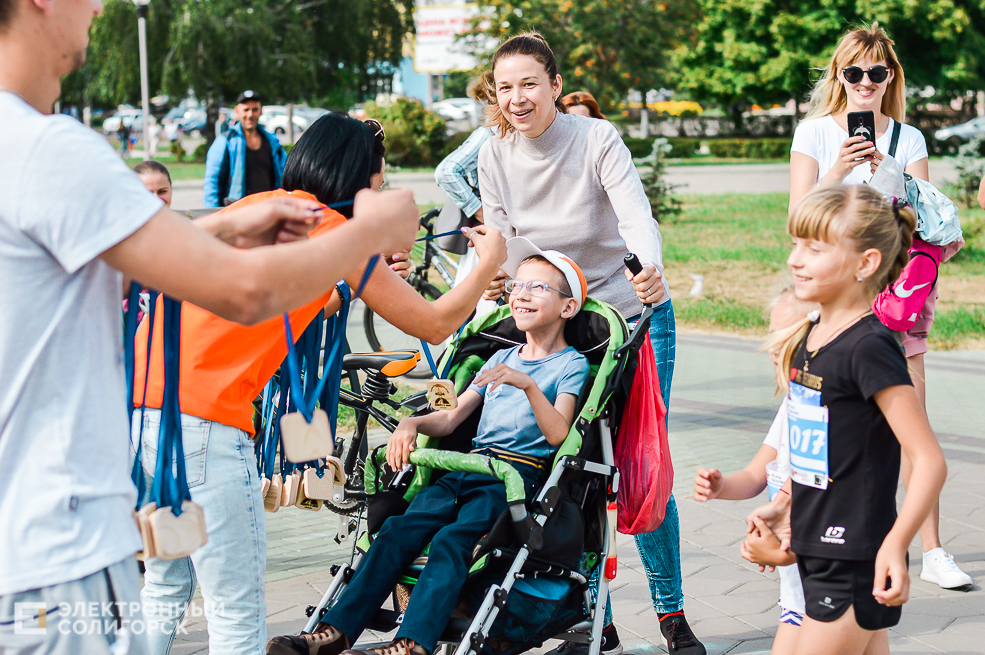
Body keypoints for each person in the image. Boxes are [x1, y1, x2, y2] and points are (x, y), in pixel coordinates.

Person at [0, 0, 420, 650]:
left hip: (45, 531)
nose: (99, 8)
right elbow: (245, 292)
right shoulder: (47, 150)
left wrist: (222, 226)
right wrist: (369, 229)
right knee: (233, 612)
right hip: (59, 551)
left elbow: (125, 275)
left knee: (165, 593)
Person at [131, 112, 507, 655]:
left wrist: (361, 282)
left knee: (166, 585)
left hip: (146, 421)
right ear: (359, 179)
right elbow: (435, 322)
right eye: (377, 183)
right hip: (205, 430)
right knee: (235, 608)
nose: (378, 196)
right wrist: (485, 262)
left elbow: (280, 304)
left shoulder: (258, 207)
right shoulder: (339, 233)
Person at [476, 33, 701, 655]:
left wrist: (648, 266)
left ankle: (671, 613)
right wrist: (497, 276)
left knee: (636, 466)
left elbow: (635, 214)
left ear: (552, 83)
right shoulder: (493, 157)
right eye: (505, 88)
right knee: (568, 469)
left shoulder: (595, 139)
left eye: (528, 84)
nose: (517, 98)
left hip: (630, 315)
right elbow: (505, 242)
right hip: (559, 321)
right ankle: (590, 617)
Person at [268, 240, 590, 655]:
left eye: (539, 288)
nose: (522, 294)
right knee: (397, 530)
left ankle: (412, 644)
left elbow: (559, 434)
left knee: (452, 541)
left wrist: (527, 384)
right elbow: (452, 417)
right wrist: (412, 422)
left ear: (568, 307)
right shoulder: (499, 356)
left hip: (513, 479)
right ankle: (336, 631)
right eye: (518, 286)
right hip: (465, 467)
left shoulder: (571, 364)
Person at [787, 23, 971, 590]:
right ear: (840, 76)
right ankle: (829, 533)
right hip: (832, 291)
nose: (865, 83)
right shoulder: (814, 133)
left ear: (891, 77)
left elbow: (919, 222)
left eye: (877, 73)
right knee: (825, 419)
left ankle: (932, 548)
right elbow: (798, 217)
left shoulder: (909, 139)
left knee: (912, 415)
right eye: (854, 72)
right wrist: (841, 170)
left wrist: (888, 177)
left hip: (894, 294)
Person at [745, 185, 947, 655]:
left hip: (855, 555)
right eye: (795, 243)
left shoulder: (870, 347)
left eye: (815, 248)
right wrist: (783, 507)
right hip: (816, 550)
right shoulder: (808, 341)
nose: (796, 259)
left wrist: (896, 544)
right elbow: (818, 450)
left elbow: (929, 460)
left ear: (866, 263)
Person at [693, 286, 817, 655]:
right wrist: (720, 486)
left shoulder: (830, 411)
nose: (773, 345)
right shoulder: (792, 406)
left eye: (785, 333)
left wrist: (778, 554)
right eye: (770, 333)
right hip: (796, 597)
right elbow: (754, 477)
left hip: (827, 595)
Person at [434, 71, 498, 307]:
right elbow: (446, 171)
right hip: (486, 234)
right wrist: (479, 209)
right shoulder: (488, 133)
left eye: (482, 100)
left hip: (491, 235)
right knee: (478, 303)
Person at [204, 90, 286, 207]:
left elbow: (285, 176)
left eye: (255, 109)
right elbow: (212, 184)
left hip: (269, 212)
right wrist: (211, 215)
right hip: (238, 214)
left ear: (261, 111)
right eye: (246, 110)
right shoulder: (225, 141)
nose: (250, 114)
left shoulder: (272, 142)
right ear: (237, 111)